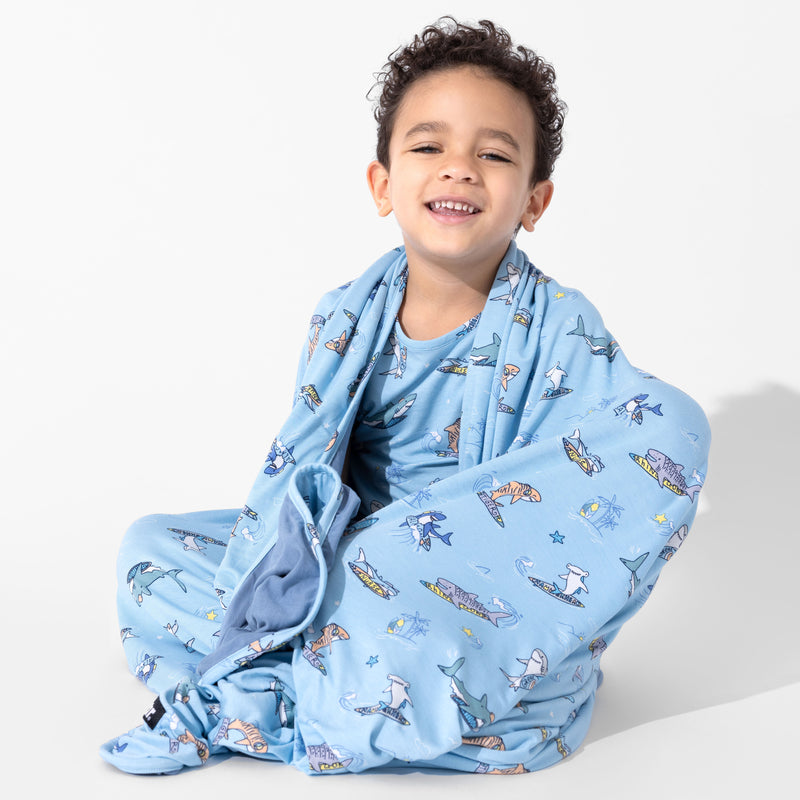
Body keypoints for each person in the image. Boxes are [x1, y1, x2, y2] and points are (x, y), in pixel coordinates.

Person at [100, 18, 709, 776]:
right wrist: (309, 564)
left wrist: (395, 561)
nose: (459, 170)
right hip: (348, 569)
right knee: (150, 549)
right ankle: (336, 679)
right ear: (383, 185)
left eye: (493, 154)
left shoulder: (562, 329)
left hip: (452, 595)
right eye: (428, 148)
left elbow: (587, 493)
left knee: (673, 424)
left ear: (535, 200)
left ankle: (310, 678)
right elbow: (297, 488)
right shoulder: (343, 317)